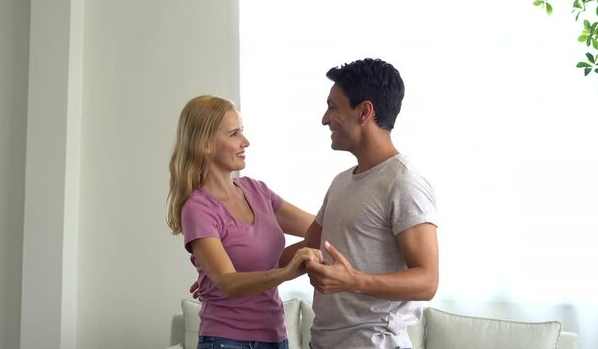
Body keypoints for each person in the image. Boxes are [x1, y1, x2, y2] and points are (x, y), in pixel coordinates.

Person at [298, 58, 439, 349]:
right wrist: (227, 268)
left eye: (333, 106)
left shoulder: (404, 182)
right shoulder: (340, 183)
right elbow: (304, 251)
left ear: (364, 111)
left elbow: (427, 281)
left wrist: (354, 280)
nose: (324, 119)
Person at [166, 95, 322, 349]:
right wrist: (285, 273)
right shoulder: (198, 208)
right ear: (205, 144)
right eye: (234, 134)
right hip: (227, 340)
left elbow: (320, 227)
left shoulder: (257, 191)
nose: (245, 142)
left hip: (275, 336)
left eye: (243, 132)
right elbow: (228, 281)